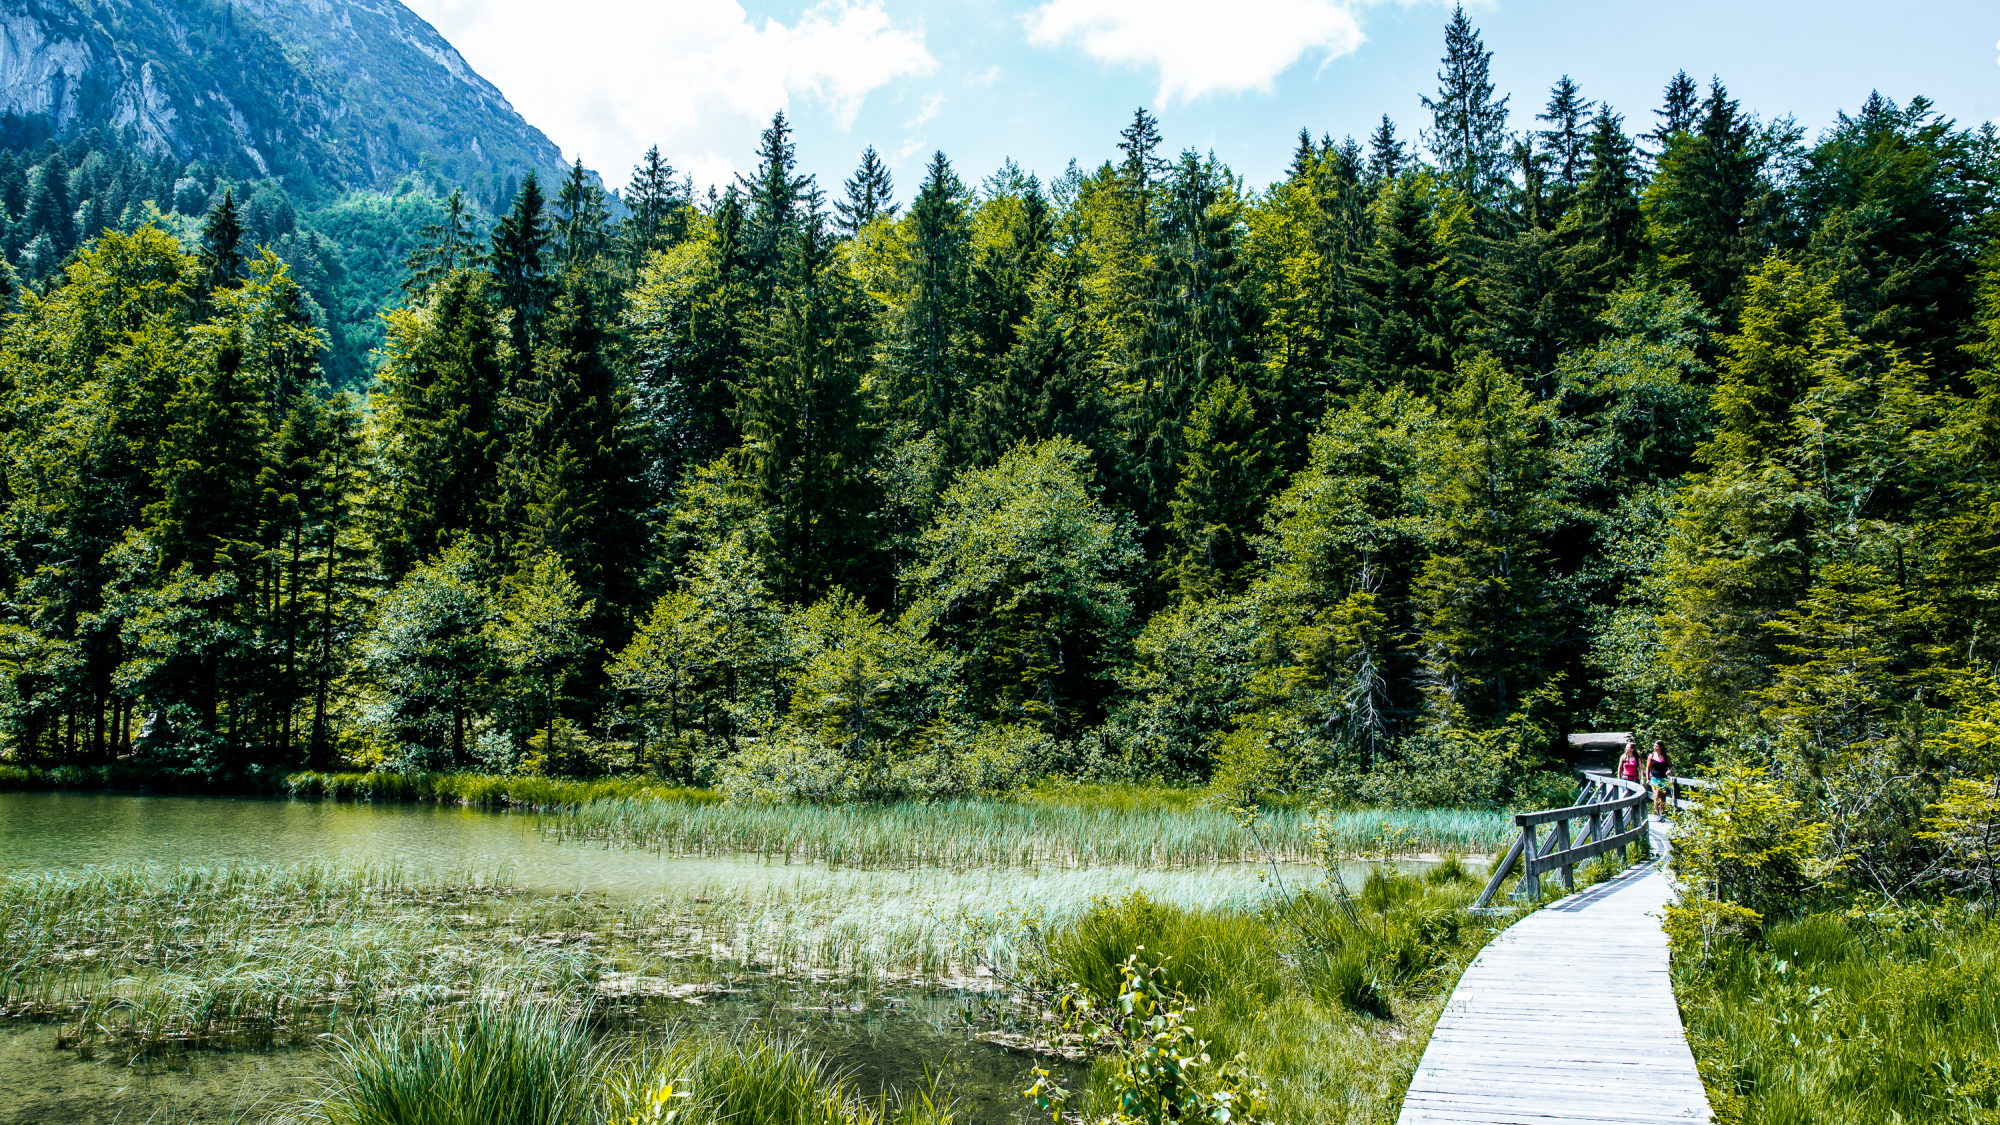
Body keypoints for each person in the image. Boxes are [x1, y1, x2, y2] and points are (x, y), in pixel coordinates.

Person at [1647, 740, 1673, 817]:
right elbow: (1648, 768)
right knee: (1656, 795)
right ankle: (1658, 814)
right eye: (1654, 746)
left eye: (1657, 746)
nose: (1655, 748)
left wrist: (1669, 770)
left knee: (1662, 797)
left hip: (1663, 779)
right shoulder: (1651, 756)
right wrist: (1648, 779)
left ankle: (1662, 814)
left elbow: (1671, 766)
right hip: (1654, 778)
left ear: (1661, 747)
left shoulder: (1666, 756)